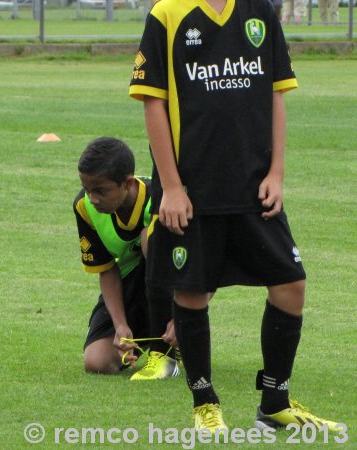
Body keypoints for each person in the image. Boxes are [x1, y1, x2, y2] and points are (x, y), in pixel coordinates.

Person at [129, 0, 341, 433]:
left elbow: (276, 92)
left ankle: (275, 403)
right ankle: (205, 403)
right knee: (192, 293)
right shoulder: (167, 13)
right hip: (191, 191)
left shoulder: (259, 10)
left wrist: (277, 172)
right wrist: (170, 186)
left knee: (290, 283)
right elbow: (153, 103)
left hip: (253, 186)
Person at [74, 137, 177, 380]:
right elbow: (106, 269)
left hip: (174, 282)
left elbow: (202, 259)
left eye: (100, 190)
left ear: (128, 183)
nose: (93, 198)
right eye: (87, 189)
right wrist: (121, 325)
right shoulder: (84, 206)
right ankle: (145, 339)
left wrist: (183, 315)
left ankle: (171, 350)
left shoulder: (160, 199)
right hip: (130, 282)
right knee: (97, 362)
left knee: (149, 239)